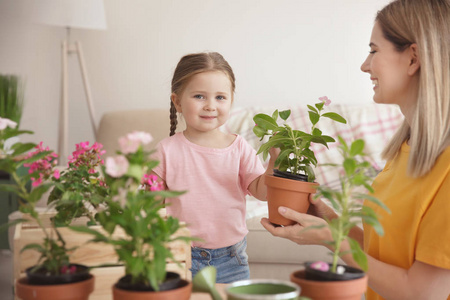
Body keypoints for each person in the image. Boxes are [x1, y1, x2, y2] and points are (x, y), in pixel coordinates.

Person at [261, 0, 450, 299]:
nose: (365, 65)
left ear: (413, 58)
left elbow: (422, 292)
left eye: (374, 50)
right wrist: (331, 225)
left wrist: (335, 242)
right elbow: (385, 255)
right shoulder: (405, 149)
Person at [152, 52, 276, 283]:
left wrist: (274, 161)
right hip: (178, 255)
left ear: (230, 100)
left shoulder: (239, 147)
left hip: (231, 259)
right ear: (177, 101)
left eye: (220, 97)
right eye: (199, 96)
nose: (210, 106)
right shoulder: (166, 150)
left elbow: (263, 192)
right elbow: (150, 201)